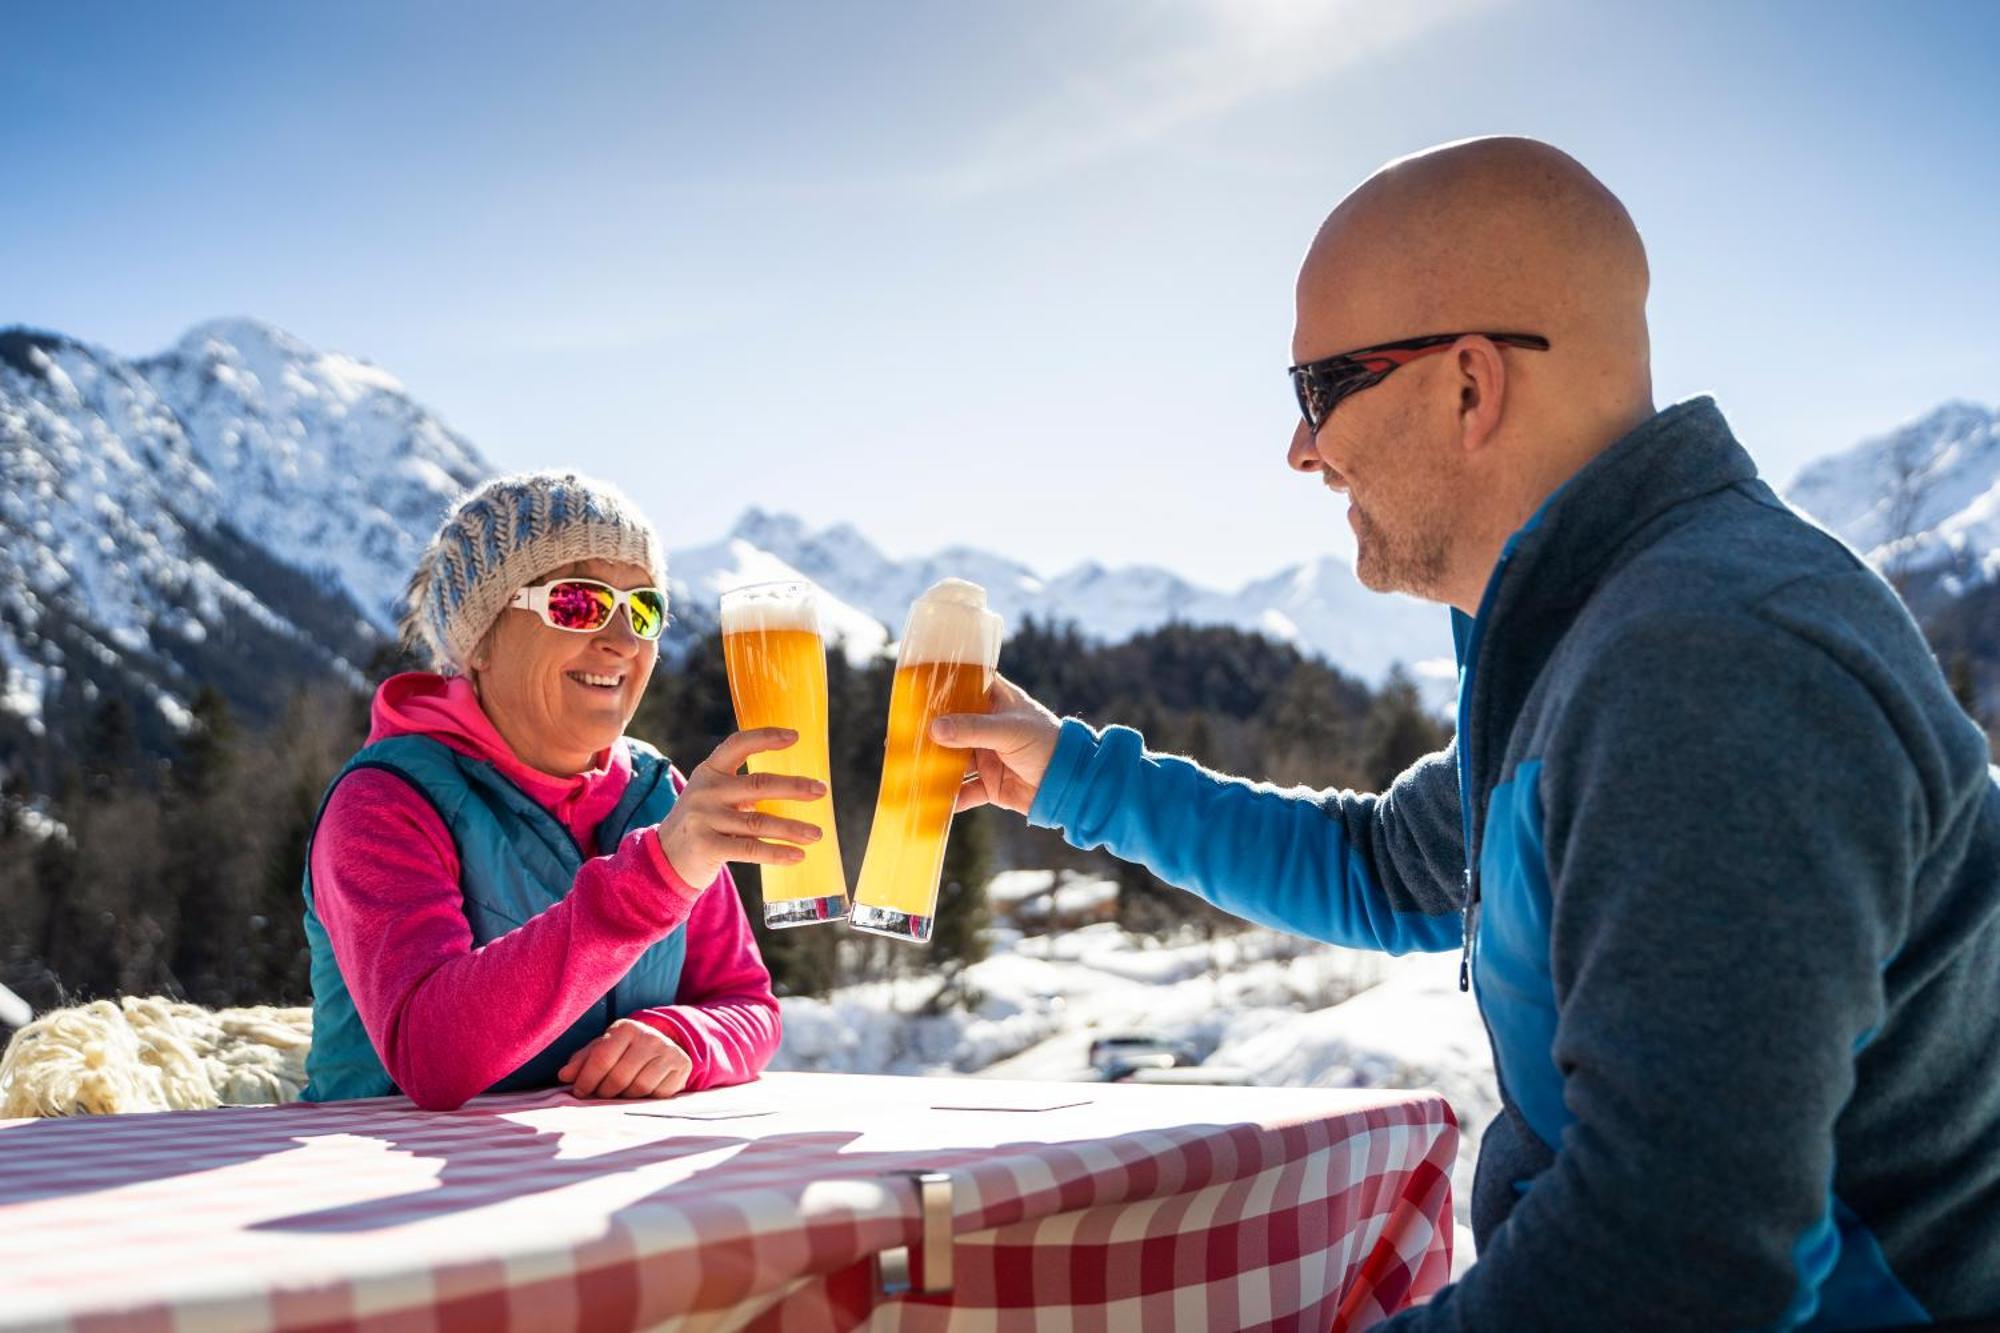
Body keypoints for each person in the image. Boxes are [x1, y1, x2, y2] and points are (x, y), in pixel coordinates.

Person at [934, 138, 2000, 1328]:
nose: (1300, 448)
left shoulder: (1705, 666)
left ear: (1466, 385)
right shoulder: (1591, 628)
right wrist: (1068, 774)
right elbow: (1386, 865)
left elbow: (1676, 1263)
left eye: (1318, 389)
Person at [302, 471, 824, 1111]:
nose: (623, 640)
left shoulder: (661, 794)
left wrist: (686, 1037)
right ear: (482, 640)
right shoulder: (386, 802)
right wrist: (655, 879)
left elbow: (747, 1005)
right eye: (577, 602)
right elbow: (428, 1055)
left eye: (643, 609)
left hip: (586, 1186)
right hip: (359, 1174)